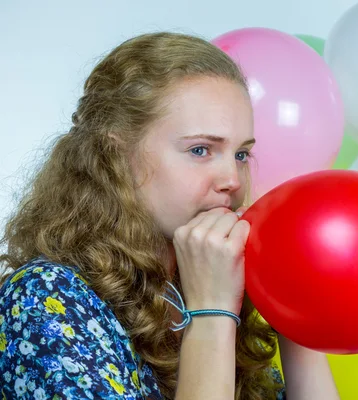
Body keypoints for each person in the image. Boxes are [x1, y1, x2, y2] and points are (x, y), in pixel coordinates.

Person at [0, 32, 340, 400]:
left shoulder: (211, 285)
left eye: (241, 155)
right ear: (116, 157)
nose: (232, 180)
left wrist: (297, 321)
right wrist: (211, 315)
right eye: (200, 150)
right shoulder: (43, 297)